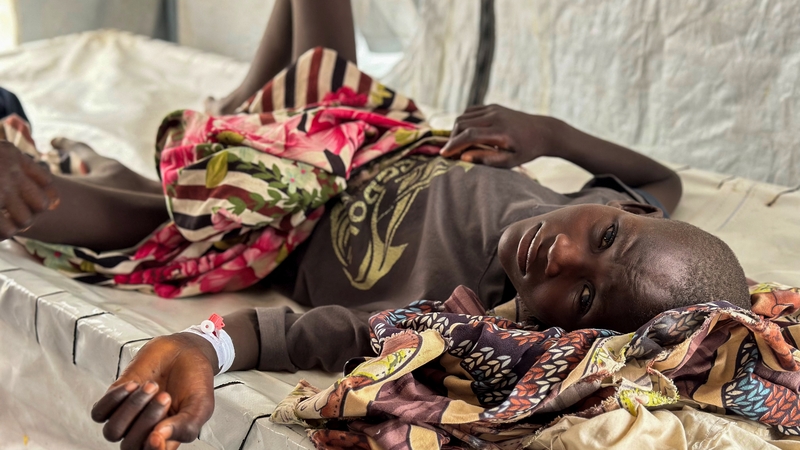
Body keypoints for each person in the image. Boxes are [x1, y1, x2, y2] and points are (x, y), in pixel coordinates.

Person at [0, 1, 751, 449]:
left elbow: (300, 335)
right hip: (356, 133)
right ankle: (226, 113)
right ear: (626, 211)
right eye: (604, 238)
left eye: (581, 298)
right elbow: (664, 180)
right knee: (328, 41)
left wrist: (201, 342)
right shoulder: (626, 207)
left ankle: (53, 158)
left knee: (100, 212)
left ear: (570, 336)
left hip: (276, 216)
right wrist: (549, 132)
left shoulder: (450, 326)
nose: (560, 254)